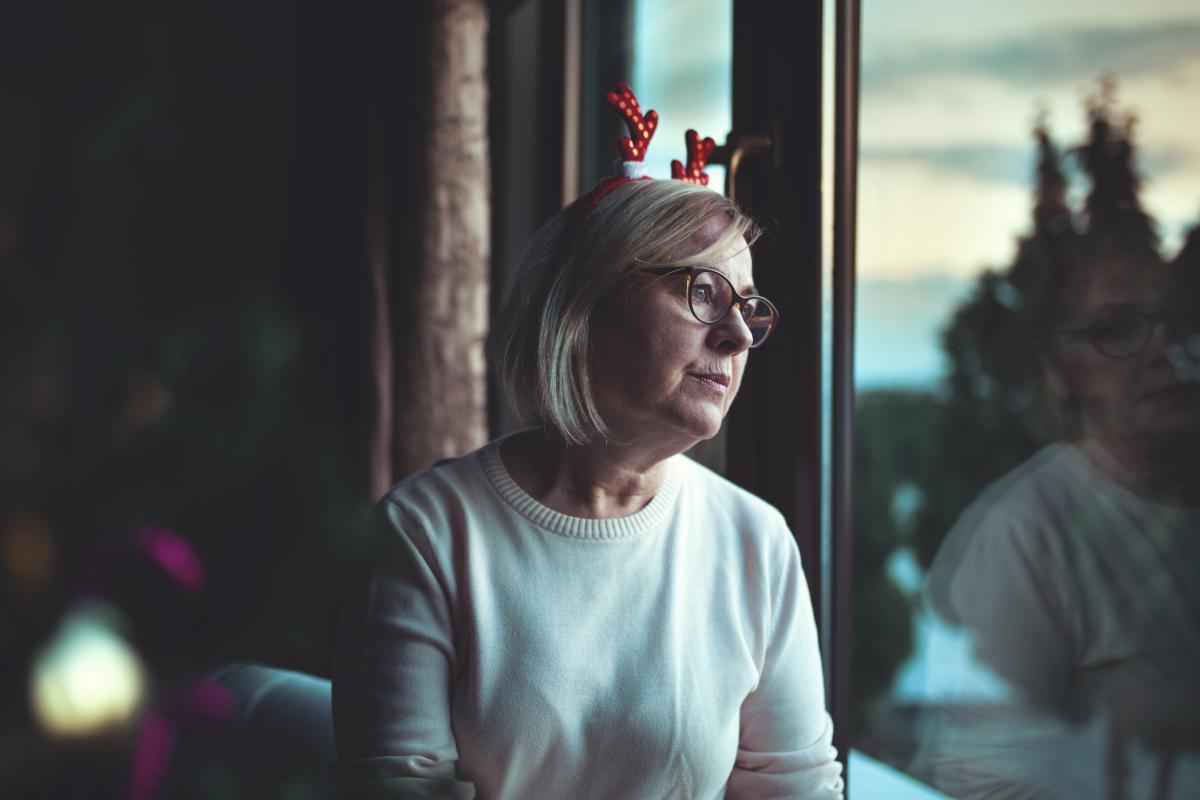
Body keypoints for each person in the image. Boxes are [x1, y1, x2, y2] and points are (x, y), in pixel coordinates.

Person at [330, 86, 843, 799]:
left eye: (748, 306)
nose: (735, 336)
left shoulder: (756, 543)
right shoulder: (427, 532)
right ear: (585, 304)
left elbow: (798, 790)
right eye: (702, 292)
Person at [912, 239, 1200, 798]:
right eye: (1118, 330)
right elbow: (982, 781)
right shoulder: (1024, 535)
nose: (1165, 347)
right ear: (1059, 372)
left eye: (1179, 319)